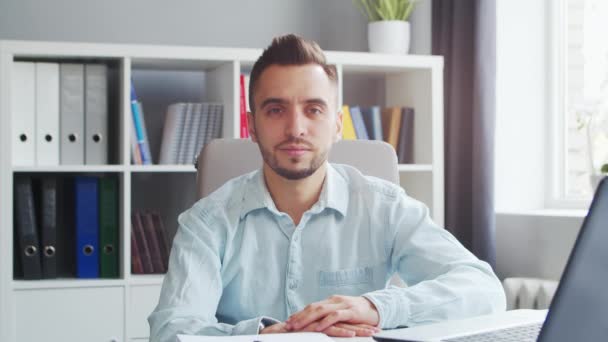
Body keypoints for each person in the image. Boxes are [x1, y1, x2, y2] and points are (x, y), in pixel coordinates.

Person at [148, 34, 506, 342]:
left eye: (314, 109)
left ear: (337, 125)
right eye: (275, 110)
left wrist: (375, 307)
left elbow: (484, 289)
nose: (296, 128)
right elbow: (172, 330)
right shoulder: (207, 222)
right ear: (252, 126)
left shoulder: (384, 206)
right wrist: (262, 336)